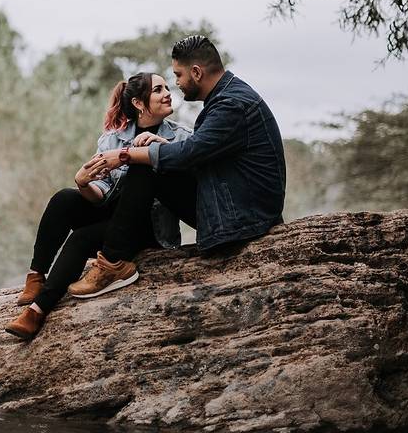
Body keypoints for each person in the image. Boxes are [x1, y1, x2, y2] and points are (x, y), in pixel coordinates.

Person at [67, 34, 286, 299]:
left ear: (196, 72)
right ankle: (113, 258)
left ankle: (112, 261)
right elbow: (202, 154)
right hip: (243, 205)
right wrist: (160, 144)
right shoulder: (228, 97)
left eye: (178, 75)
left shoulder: (231, 104)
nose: (176, 84)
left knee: (144, 163)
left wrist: (124, 155)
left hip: (246, 217)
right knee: (149, 158)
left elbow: (190, 152)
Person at [4, 72, 192, 340]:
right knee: (64, 198)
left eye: (166, 87)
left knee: (83, 237)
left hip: (149, 227)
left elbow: (194, 173)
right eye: (158, 89)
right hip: (115, 220)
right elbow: (102, 194)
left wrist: (160, 148)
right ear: (139, 103)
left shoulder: (180, 136)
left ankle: (37, 310)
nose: (167, 93)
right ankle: (35, 276)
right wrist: (82, 184)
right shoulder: (112, 140)